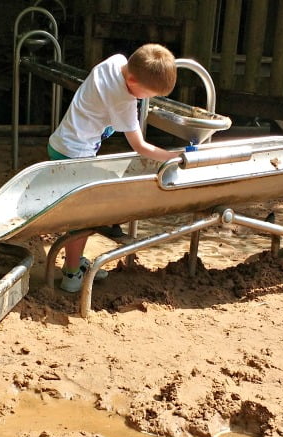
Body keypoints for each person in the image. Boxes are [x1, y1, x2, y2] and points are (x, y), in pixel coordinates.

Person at [47, 43, 182, 293]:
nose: (145, 99)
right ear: (131, 80)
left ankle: (74, 261)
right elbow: (140, 147)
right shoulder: (123, 100)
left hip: (63, 144)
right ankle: (71, 273)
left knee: (82, 214)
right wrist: (173, 156)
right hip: (75, 156)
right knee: (82, 218)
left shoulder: (116, 61)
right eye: (146, 94)